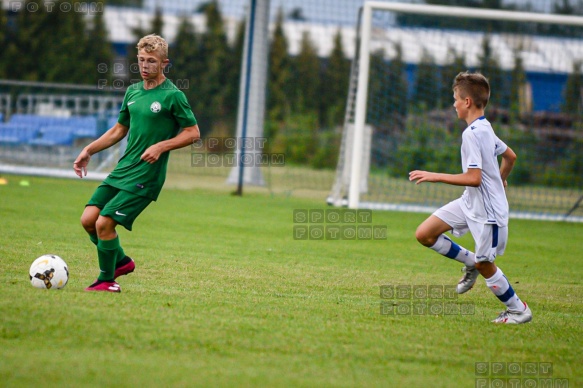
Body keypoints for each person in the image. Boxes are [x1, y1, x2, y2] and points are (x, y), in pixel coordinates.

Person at [74, 34, 200, 292]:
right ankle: (120, 262)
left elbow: (193, 133)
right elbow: (119, 130)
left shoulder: (173, 96)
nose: (145, 66)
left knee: (104, 223)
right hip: (124, 168)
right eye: (141, 60)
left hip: (147, 174)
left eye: (151, 61)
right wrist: (89, 150)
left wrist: (161, 146)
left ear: (165, 63)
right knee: (89, 219)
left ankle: (107, 281)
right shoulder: (132, 92)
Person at [409, 71, 532, 324]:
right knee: (425, 234)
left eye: (455, 98)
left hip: (488, 214)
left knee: (487, 264)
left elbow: (474, 177)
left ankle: (519, 310)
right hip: (469, 202)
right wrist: (500, 179)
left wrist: (435, 175)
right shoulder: (485, 127)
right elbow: (511, 157)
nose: (453, 103)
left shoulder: (473, 133)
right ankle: (470, 263)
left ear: (466, 102)